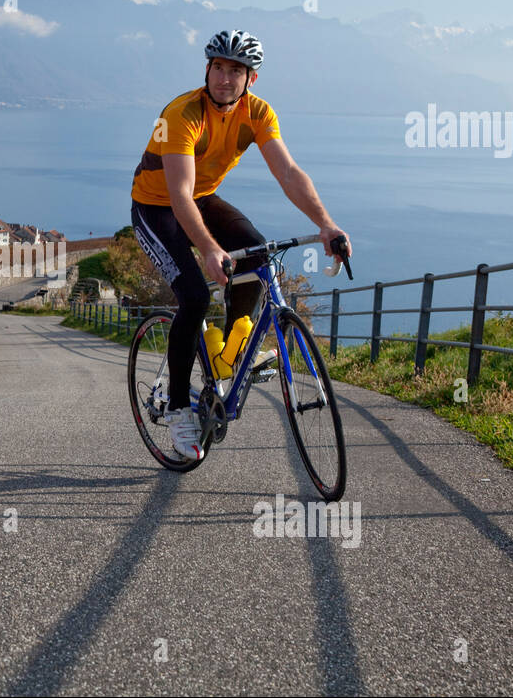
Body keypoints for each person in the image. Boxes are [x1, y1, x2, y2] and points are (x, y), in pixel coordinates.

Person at [130, 30, 351, 462]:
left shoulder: (258, 113)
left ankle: (230, 356)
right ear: (206, 70)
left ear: (251, 79)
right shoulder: (182, 113)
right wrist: (210, 250)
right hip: (156, 206)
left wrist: (326, 225)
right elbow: (179, 195)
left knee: (256, 254)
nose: (224, 78)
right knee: (193, 296)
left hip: (201, 197)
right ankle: (177, 407)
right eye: (218, 67)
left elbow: (288, 173)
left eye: (235, 70)